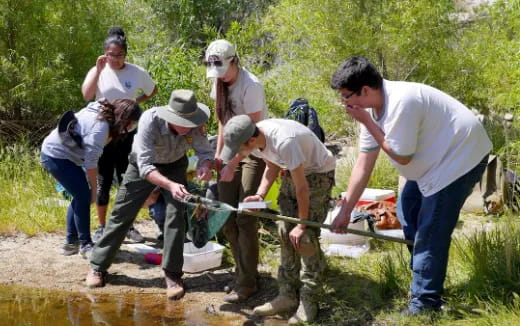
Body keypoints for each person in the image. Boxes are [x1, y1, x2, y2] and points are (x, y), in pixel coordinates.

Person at [329, 56, 492, 315]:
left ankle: (425, 304)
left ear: (366, 90)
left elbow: (401, 156)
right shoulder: (370, 111)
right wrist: (346, 209)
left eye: (347, 96)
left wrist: (369, 123)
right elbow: (363, 163)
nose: (345, 103)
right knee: (407, 211)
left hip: (461, 157)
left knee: (431, 227)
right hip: (434, 162)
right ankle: (424, 280)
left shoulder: (401, 102)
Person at [85, 90, 214, 301]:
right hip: (142, 167)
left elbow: (205, 153)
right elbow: (144, 166)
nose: (186, 126)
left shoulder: (195, 122)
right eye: (182, 122)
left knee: (176, 216)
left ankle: (173, 274)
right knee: (121, 214)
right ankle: (98, 266)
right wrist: (171, 185)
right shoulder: (150, 120)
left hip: (175, 165)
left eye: (189, 122)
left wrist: (204, 166)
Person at [221, 115, 336, 324]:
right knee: (284, 231)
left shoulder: (285, 142)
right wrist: (260, 195)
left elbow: (303, 188)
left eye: (239, 150)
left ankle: (309, 300)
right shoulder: (256, 139)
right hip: (294, 172)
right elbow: (272, 165)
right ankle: (287, 295)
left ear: (250, 141)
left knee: (305, 238)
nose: (238, 155)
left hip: (317, 174)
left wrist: (301, 224)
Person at [203, 39, 268, 302]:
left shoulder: (251, 87)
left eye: (223, 69)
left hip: (253, 150)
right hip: (230, 149)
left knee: (245, 216)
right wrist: (220, 158)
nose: (220, 76)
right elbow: (222, 124)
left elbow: (250, 136)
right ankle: (243, 273)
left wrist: (232, 164)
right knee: (227, 217)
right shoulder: (218, 81)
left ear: (235, 61)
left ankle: (248, 283)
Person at [81, 26, 158, 243]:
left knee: (128, 180)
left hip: (128, 135)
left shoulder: (136, 72)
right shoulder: (99, 70)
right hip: (103, 134)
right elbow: (87, 95)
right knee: (104, 181)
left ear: (125, 53)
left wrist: (135, 102)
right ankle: (102, 226)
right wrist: (98, 69)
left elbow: (153, 90)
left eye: (119, 55)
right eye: (110, 55)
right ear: (104, 53)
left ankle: (128, 225)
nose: (115, 59)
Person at [41, 99, 142, 258]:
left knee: (80, 195)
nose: (131, 127)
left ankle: (70, 244)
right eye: (131, 123)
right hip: (55, 156)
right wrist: (94, 189)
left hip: (68, 157)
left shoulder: (105, 114)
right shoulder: (100, 129)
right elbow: (91, 163)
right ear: (124, 118)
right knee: (84, 196)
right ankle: (85, 245)